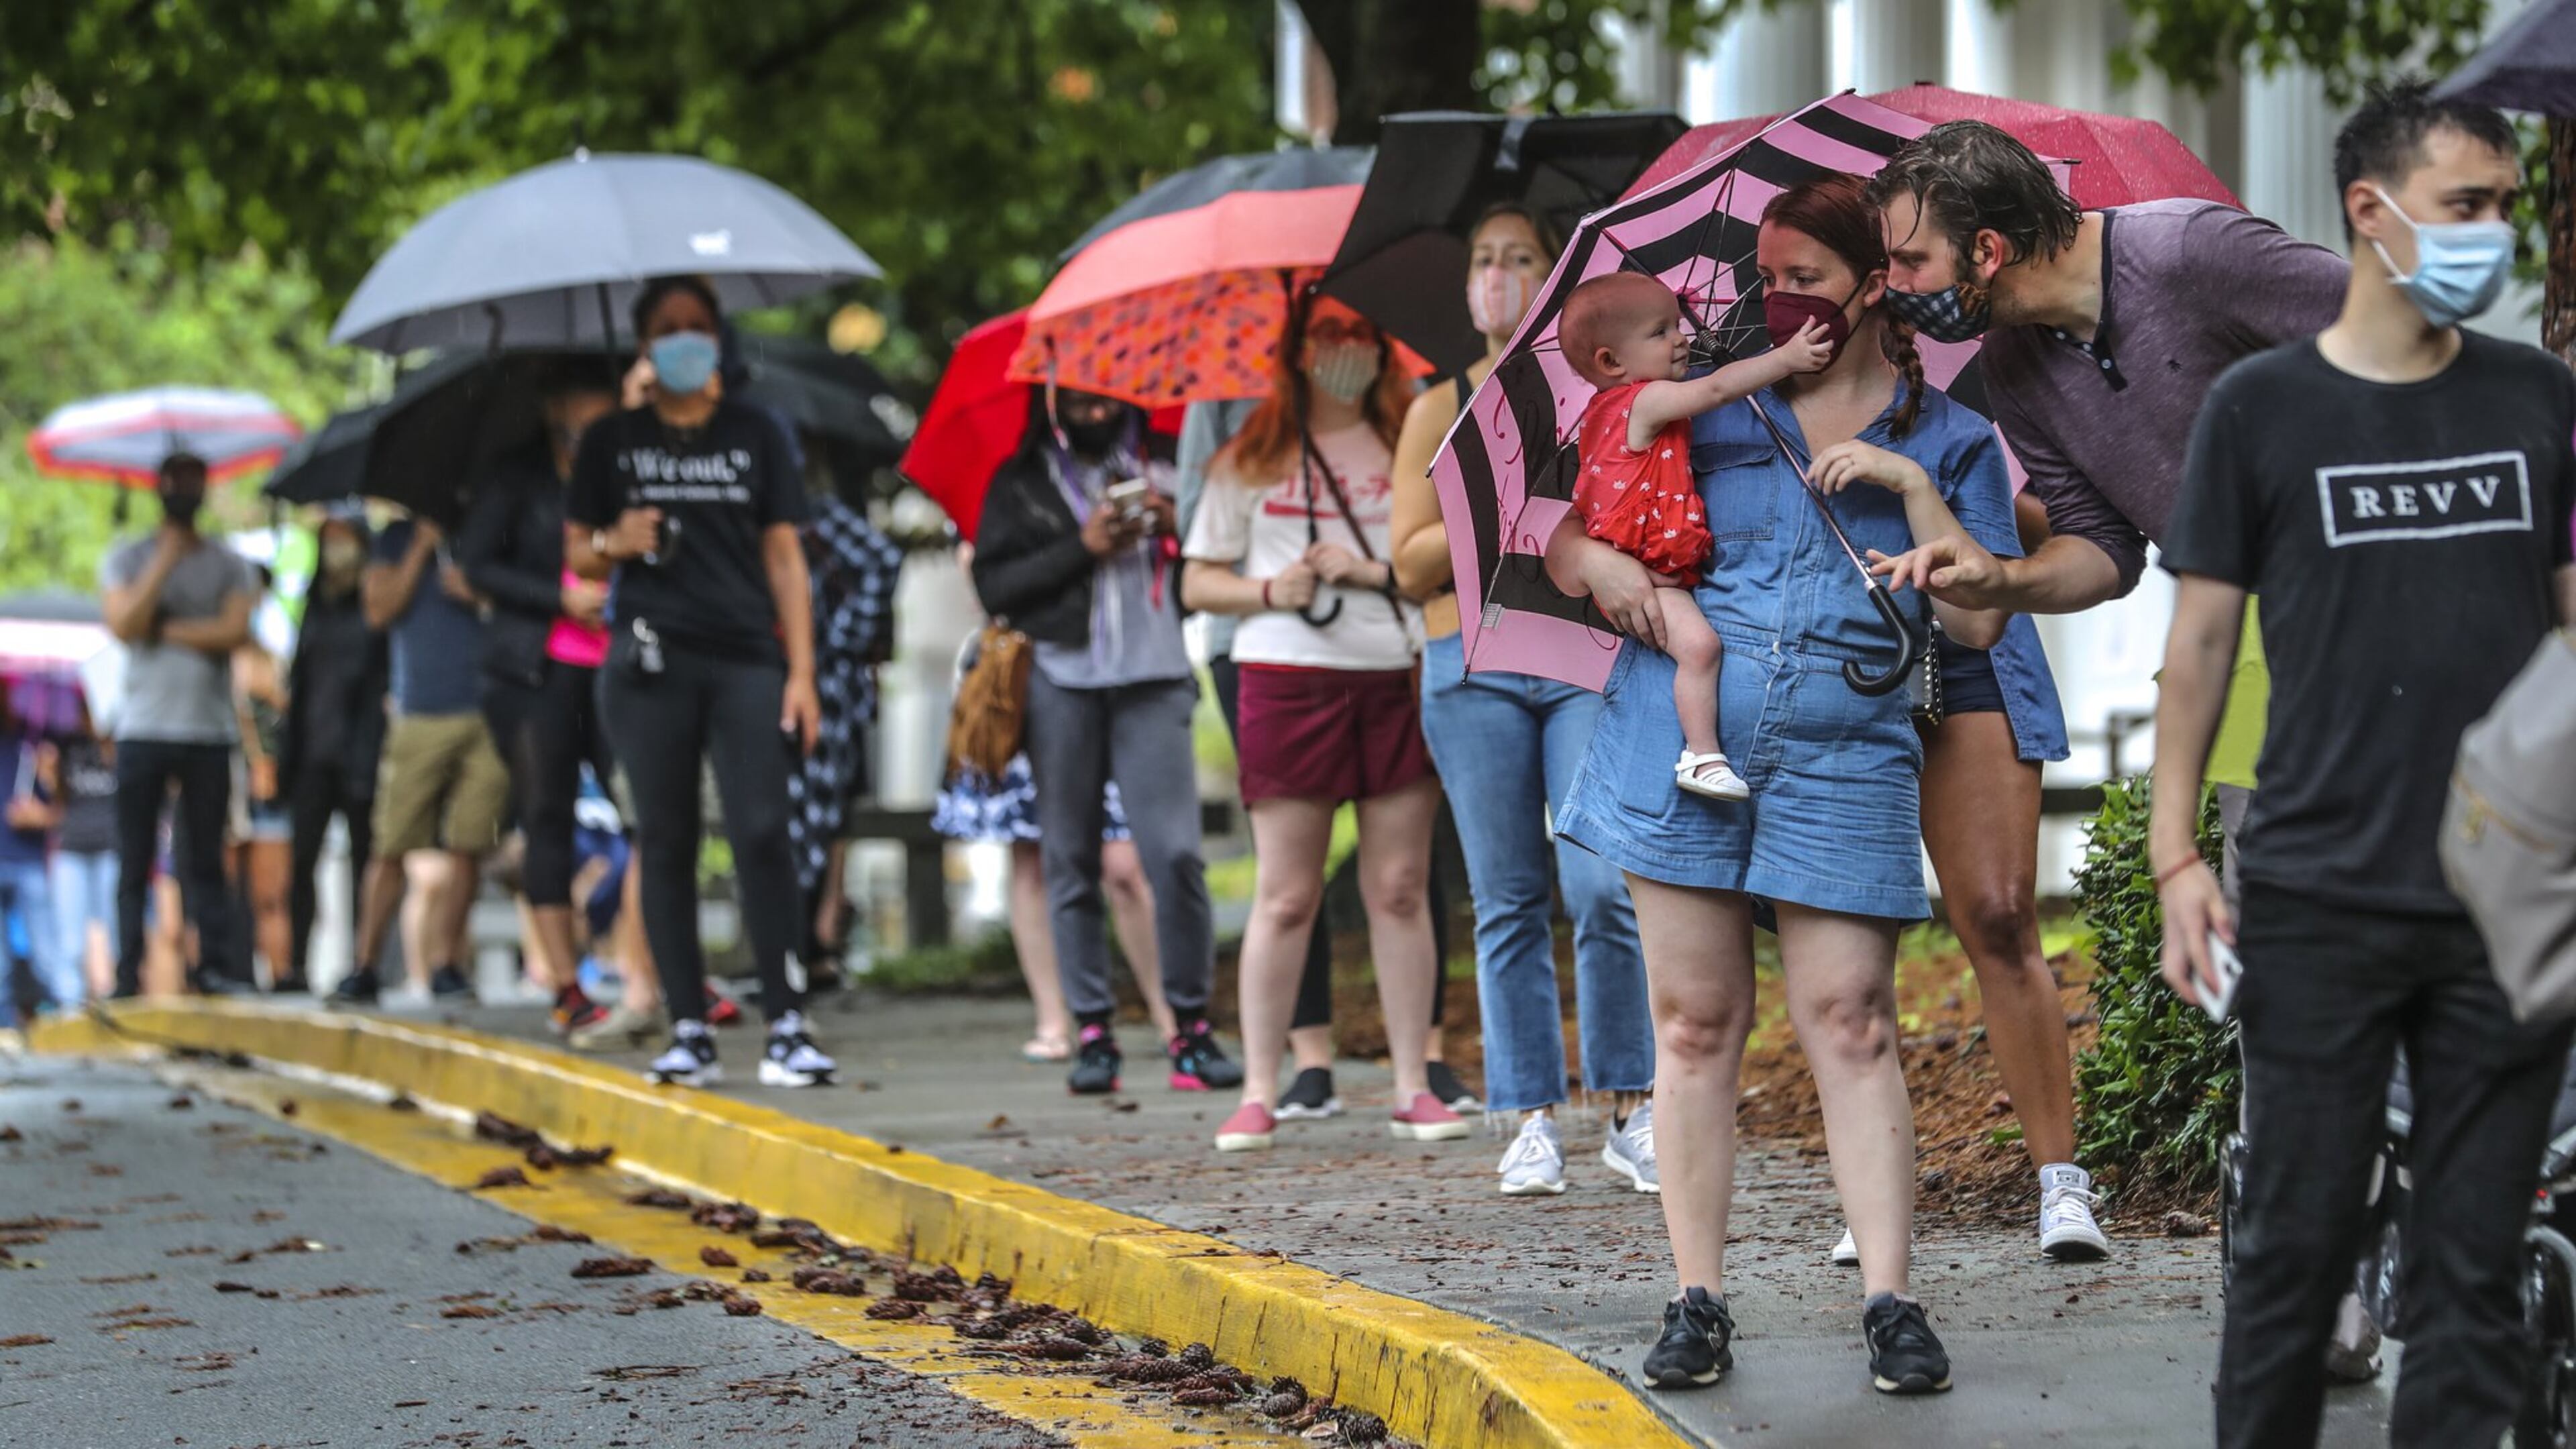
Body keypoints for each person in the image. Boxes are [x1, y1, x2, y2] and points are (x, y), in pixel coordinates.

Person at [2152, 81, 2576, 1449]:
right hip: (2321, 898)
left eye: (2507, 210)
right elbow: (2202, 648)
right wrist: (2173, 860)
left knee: (2472, 1281)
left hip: (2503, 917)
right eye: (2467, 208)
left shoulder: (2536, 399)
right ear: (2371, 212)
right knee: (2291, 1259)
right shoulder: (2262, 412)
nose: (2492, 237)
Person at [1546, 175, 2014, 1397]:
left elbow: (1972, 631)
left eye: (1806, 273)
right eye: (1767, 270)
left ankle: (1891, 1302)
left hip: (1847, 752)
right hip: (1677, 746)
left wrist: (1910, 496)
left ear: (1871, 289)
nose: (1776, 294)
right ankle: (1697, 1298)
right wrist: (1598, 558)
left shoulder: (1949, 436)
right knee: (1694, 1026)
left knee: (1851, 1019)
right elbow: (1565, 531)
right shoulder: (1705, 407)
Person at [1387, 203, 1661, 1196]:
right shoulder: (1437, 406)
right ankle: (1530, 1117)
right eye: (1484, 260)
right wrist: (1502, 519)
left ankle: (1632, 1107)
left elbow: (1630, 521)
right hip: (1467, 666)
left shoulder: (1593, 394)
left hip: (1581, 658)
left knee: (1600, 886)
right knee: (1504, 896)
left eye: (1520, 259)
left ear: (1556, 278)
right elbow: (1409, 562)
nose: (1497, 275)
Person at [1183, 292, 1462, 1152]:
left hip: (1392, 671)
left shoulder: (1407, 443)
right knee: (1287, 893)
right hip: (1284, 679)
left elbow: (1437, 559)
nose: (1344, 348)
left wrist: (1370, 572)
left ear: (1382, 347)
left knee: (1400, 887)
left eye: (1358, 331)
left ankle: (1415, 1082)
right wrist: (1274, 590)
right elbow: (1198, 582)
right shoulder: (1248, 457)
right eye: (1326, 334)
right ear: (1297, 351)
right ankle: (1261, 1088)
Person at [566, 274, 831, 1090]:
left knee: (761, 830)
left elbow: (785, 557)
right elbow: (577, 555)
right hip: (649, 663)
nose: (685, 338)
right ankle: (687, 1025)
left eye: (698, 325)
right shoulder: (610, 440)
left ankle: (788, 1020)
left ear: (718, 337)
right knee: (667, 838)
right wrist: (619, 540)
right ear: (645, 343)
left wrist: (803, 673)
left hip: (748, 656)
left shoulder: (758, 434)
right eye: (668, 326)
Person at [972, 386, 1238, 1097]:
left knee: (1175, 853)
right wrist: (1081, 547)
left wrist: (1174, 524)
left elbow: (1227, 552)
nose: (1096, 410)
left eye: (1107, 397)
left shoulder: (1167, 462)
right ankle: (1092, 1029)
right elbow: (995, 583)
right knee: (1070, 857)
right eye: (1079, 399)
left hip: (1153, 680)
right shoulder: (1022, 479)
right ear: (1053, 399)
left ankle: (1191, 1025)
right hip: (1062, 683)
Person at [1560, 272, 1833, 799]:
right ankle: (1702, 756)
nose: (1682, 338)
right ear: (1612, 363)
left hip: (1650, 567)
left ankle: (1702, 755)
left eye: (1679, 323)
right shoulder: (1643, 400)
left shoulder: (1601, 414)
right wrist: (1787, 359)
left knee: (1698, 648)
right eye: (1660, 332)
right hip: (1651, 577)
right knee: (1702, 649)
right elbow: (1715, 388)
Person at [932, 556, 1180, 1064]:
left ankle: (1171, 1014)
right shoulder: (1003, 491)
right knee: (1033, 864)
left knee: (1125, 866)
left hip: (1115, 674)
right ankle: (1054, 1018)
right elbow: (985, 582)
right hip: (1023, 678)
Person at [459, 370, 626, 1034]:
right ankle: (565, 984)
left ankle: (653, 970)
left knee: (642, 810)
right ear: (556, 402)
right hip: (534, 669)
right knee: (547, 815)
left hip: (615, 663)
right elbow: (477, 566)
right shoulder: (515, 476)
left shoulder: (626, 471)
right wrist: (558, 598)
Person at [326, 508, 508, 1007]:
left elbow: (520, 601)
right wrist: (420, 549)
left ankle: (447, 963)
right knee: (392, 843)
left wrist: (478, 592)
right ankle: (363, 965)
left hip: (486, 707)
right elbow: (377, 611)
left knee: (468, 843)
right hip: (420, 712)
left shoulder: (489, 527)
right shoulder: (397, 538)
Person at [99, 452, 254, 998]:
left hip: (208, 731)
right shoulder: (128, 557)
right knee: (134, 856)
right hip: (142, 727)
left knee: (205, 858)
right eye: (175, 480)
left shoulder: (229, 564)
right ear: (158, 486)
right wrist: (163, 563)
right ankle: (127, 974)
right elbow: (123, 623)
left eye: (194, 478)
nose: (184, 489)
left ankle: (213, 966)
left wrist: (166, 628)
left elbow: (234, 632)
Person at [278, 511, 386, 994]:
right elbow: (300, 683)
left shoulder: (374, 604)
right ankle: (296, 965)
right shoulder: (314, 603)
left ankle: (362, 965)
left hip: (362, 755)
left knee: (367, 864)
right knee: (302, 862)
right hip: (313, 757)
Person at [230, 608, 294, 987]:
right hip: (228, 794)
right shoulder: (217, 670)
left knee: (271, 897)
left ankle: (280, 975)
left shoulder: (274, 665)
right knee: (231, 895)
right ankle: (233, 974)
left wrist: (271, 692)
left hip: (271, 795)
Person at [46, 697, 119, 1000]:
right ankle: (71, 1004)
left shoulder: (118, 743)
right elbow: (58, 803)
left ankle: (114, 997)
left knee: (113, 931)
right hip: (71, 847)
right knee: (70, 938)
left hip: (110, 846)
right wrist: (49, 775)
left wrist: (111, 749)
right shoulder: (63, 744)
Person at [0, 682, 62, 1013]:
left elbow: (63, 809)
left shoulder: (34, 742)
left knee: (46, 952)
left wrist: (48, 782)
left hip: (28, 860)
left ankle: (58, 1017)